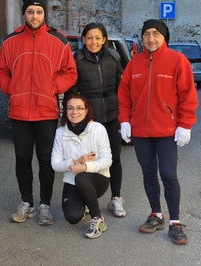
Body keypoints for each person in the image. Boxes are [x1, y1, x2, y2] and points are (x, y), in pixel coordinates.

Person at [0, 0, 77, 226]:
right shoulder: (10, 41)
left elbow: (70, 72)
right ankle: (26, 203)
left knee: (46, 160)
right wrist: (11, 88)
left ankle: (45, 205)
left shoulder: (58, 40)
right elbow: (0, 69)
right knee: (22, 159)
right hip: (19, 111)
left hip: (46, 111)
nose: (34, 15)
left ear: (44, 15)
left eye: (39, 12)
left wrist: (52, 88)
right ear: (24, 14)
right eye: (30, 11)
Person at [117, 19, 199, 245]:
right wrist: (125, 121)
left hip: (168, 131)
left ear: (164, 37)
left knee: (169, 175)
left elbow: (188, 96)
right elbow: (124, 95)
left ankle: (175, 222)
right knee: (148, 173)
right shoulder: (134, 64)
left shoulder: (177, 61)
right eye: (146, 34)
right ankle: (156, 214)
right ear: (141, 37)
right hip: (142, 131)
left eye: (156, 34)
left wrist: (185, 124)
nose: (150, 39)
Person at [65, 22, 126, 218]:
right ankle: (84, 199)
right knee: (88, 158)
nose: (94, 42)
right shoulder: (77, 60)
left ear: (104, 39)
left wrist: (123, 113)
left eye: (98, 38)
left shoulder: (114, 58)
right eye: (89, 38)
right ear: (83, 39)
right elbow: (72, 91)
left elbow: (121, 88)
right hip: (89, 118)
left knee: (114, 158)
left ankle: (116, 198)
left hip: (112, 115)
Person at [51, 93, 112, 239]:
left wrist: (85, 167)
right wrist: (75, 162)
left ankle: (98, 219)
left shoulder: (97, 129)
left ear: (86, 111)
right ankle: (84, 202)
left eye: (79, 108)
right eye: (70, 108)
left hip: (98, 179)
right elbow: (55, 164)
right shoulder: (60, 132)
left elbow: (107, 160)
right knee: (72, 217)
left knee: (82, 178)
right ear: (65, 111)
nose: (75, 112)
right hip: (72, 180)